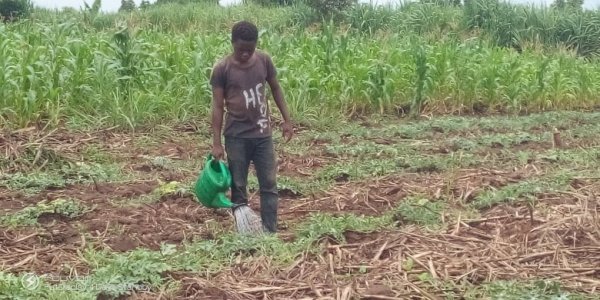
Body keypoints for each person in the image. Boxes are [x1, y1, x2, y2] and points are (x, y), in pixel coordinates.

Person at [209, 20, 293, 233]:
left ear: (256, 44)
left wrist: (287, 119)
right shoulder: (222, 69)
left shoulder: (264, 61)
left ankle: (270, 230)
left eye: (250, 49)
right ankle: (244, 232)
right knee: (238, 186)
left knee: (269, 184)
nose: (245, 54)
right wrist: (216, 143)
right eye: (241, 50)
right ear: (232, 44)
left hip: (263, 134)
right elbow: (218, 107)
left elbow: (276, 89)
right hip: (236, 137)